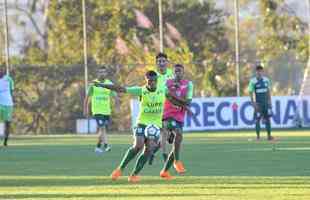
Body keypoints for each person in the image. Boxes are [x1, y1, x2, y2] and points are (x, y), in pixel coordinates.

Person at [95, 70, 166, 183]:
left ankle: (134, 175)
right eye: (149, 80)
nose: (152, 82)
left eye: (154, 80)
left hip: (155, 125)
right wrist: (102, 85)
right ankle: (120, 169)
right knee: (138, 145)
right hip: (142, 122)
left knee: (149, 150)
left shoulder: (163, 90)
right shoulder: (141, 90)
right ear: (146, 80)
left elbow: (173, 97)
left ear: (157, 80)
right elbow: (121, 89)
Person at [159, 64, 194, 180]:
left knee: (177, 143)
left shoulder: (189, 84)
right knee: (178, 133)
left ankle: (164, 171)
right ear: (173, 73)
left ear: (183, 73)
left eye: (179, 71)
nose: (177, 73)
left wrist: (175, 97)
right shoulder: (167, 83)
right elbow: (168, 97)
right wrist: (183, 104)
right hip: (168, 114)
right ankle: (177, 161)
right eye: (175, 71)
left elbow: (188, 102)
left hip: (179, 116)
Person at [83, 66, 118, 153]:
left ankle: (98, 147)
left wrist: (117, 106)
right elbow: (87, 98)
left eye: (104, 72)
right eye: (100, 72)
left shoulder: (109, 84)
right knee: (102, 128)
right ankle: (106, 145)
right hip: (97, 110)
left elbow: (115, 96)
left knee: (102, 129)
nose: (102, 74)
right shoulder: (93, 84)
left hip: (107, 111)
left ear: (106, 73)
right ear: (97, 73)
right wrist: (85, 109)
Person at [148, 53, 174, 164]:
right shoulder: (153, 76)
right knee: (164, 131)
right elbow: (147, 90)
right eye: (159, 61)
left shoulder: (171, 74)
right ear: (156, 63)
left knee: (167, 135)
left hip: (171, 107)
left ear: (167, 62)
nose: (162, 63)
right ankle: (165, 156)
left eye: (164, 61)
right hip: (159, 108)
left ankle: (152, 151)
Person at [248, 64, 273, 140]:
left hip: (266, 103)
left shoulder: (266, 80)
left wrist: (270, 101)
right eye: (258, 71)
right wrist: (253, 102)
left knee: (268, 119)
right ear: (256, 72)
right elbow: (250, 92)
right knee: (257, 119)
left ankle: (269, 136)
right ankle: (258, 137)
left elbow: (268, 91)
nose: (259, 72)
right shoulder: (253, 81)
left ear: (262, 71)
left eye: (260, 71)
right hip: (258, 104)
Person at [0, 68, 14, 147]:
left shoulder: (9, 79)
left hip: (8, 104)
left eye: (1, 71)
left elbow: (12, 91)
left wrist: (11, 99)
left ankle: (5, 142)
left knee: (7, 123)